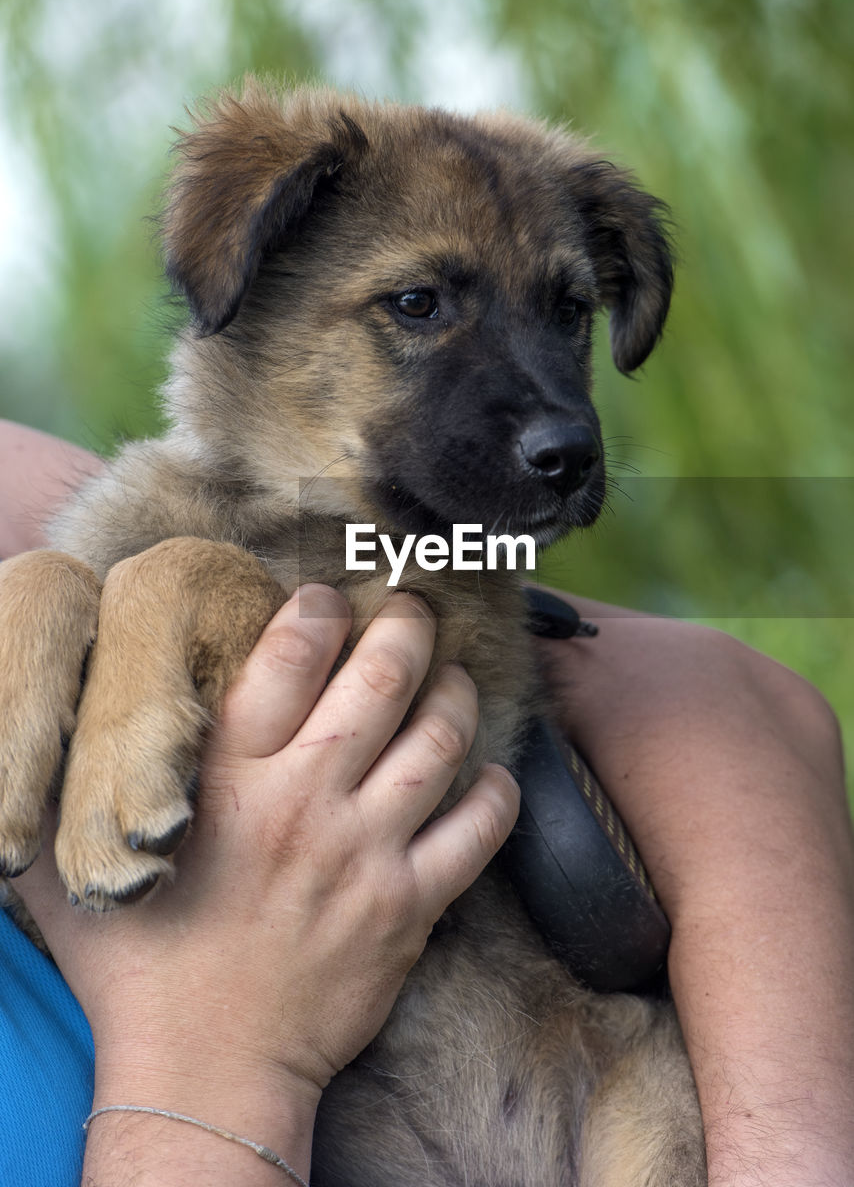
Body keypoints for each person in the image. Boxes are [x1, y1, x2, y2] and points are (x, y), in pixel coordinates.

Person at [1, 419, 853, 1187]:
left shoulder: (130, 523)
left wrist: (778, 1156)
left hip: (584, 1099)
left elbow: (732, 698)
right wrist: (217, 1064)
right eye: (416, 308)